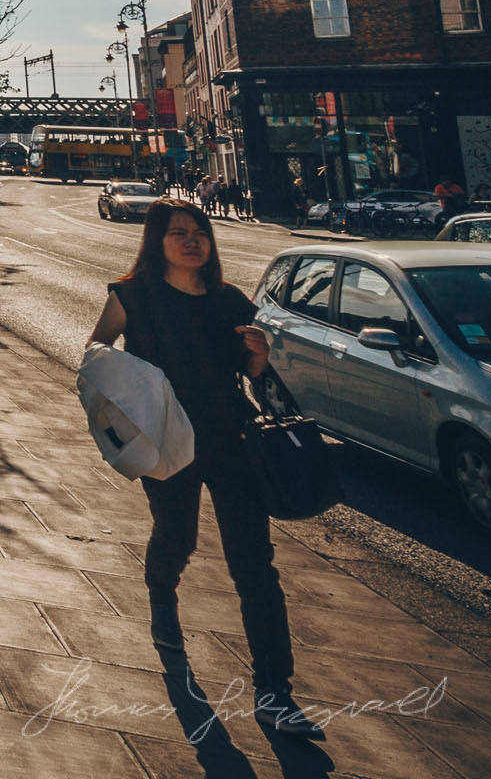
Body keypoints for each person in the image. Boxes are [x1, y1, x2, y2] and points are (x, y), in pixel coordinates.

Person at [87, 203, 320, 739]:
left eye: (200, 234)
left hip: (233, 441)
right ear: (156, 241)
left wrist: (258, 355)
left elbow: (249, 372)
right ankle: (162, 597)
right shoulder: (132, 296)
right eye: (178, 234)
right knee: (177, 535)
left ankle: (274, 690)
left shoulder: (229, 300)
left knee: (254, 563)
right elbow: (97, 354)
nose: (192, 242)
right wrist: (132, 398)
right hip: (167, 442)